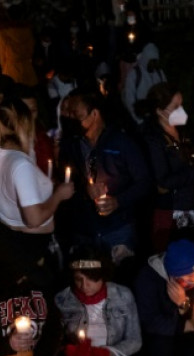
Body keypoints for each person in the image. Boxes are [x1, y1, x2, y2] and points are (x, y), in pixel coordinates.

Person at [0, 97, 74, 285]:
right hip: (29, 250)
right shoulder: (20, 164)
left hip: (8, 241)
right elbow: (33, 219)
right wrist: (59, 195)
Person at [56, 87, 150, 268]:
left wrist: (118, 201)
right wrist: (84, 189)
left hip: (118, 229)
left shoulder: (122, 142)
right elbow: (65, 179)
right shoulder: (71, 144)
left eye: (76, 114)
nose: (71, 119)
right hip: (84, 231)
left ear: (94, 114)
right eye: (68, 114)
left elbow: (144, 182)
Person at [139, 83, 194, 251]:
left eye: (181, 104)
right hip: (172, 214)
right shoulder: (154, 140)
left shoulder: (183, 133)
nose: (181, 110)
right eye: (175, 106)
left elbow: (190, 166)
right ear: (160, 111)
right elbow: (163, 181)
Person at [123, 42, 167, 124]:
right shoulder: (134, 74)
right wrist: (138, 120)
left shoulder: (159, 73)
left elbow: (166, 92)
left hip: (159, 118)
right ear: (145, 59)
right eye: (151, 61)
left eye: (155, 61)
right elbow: (129, 100)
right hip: (142, 119)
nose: (153, 64)